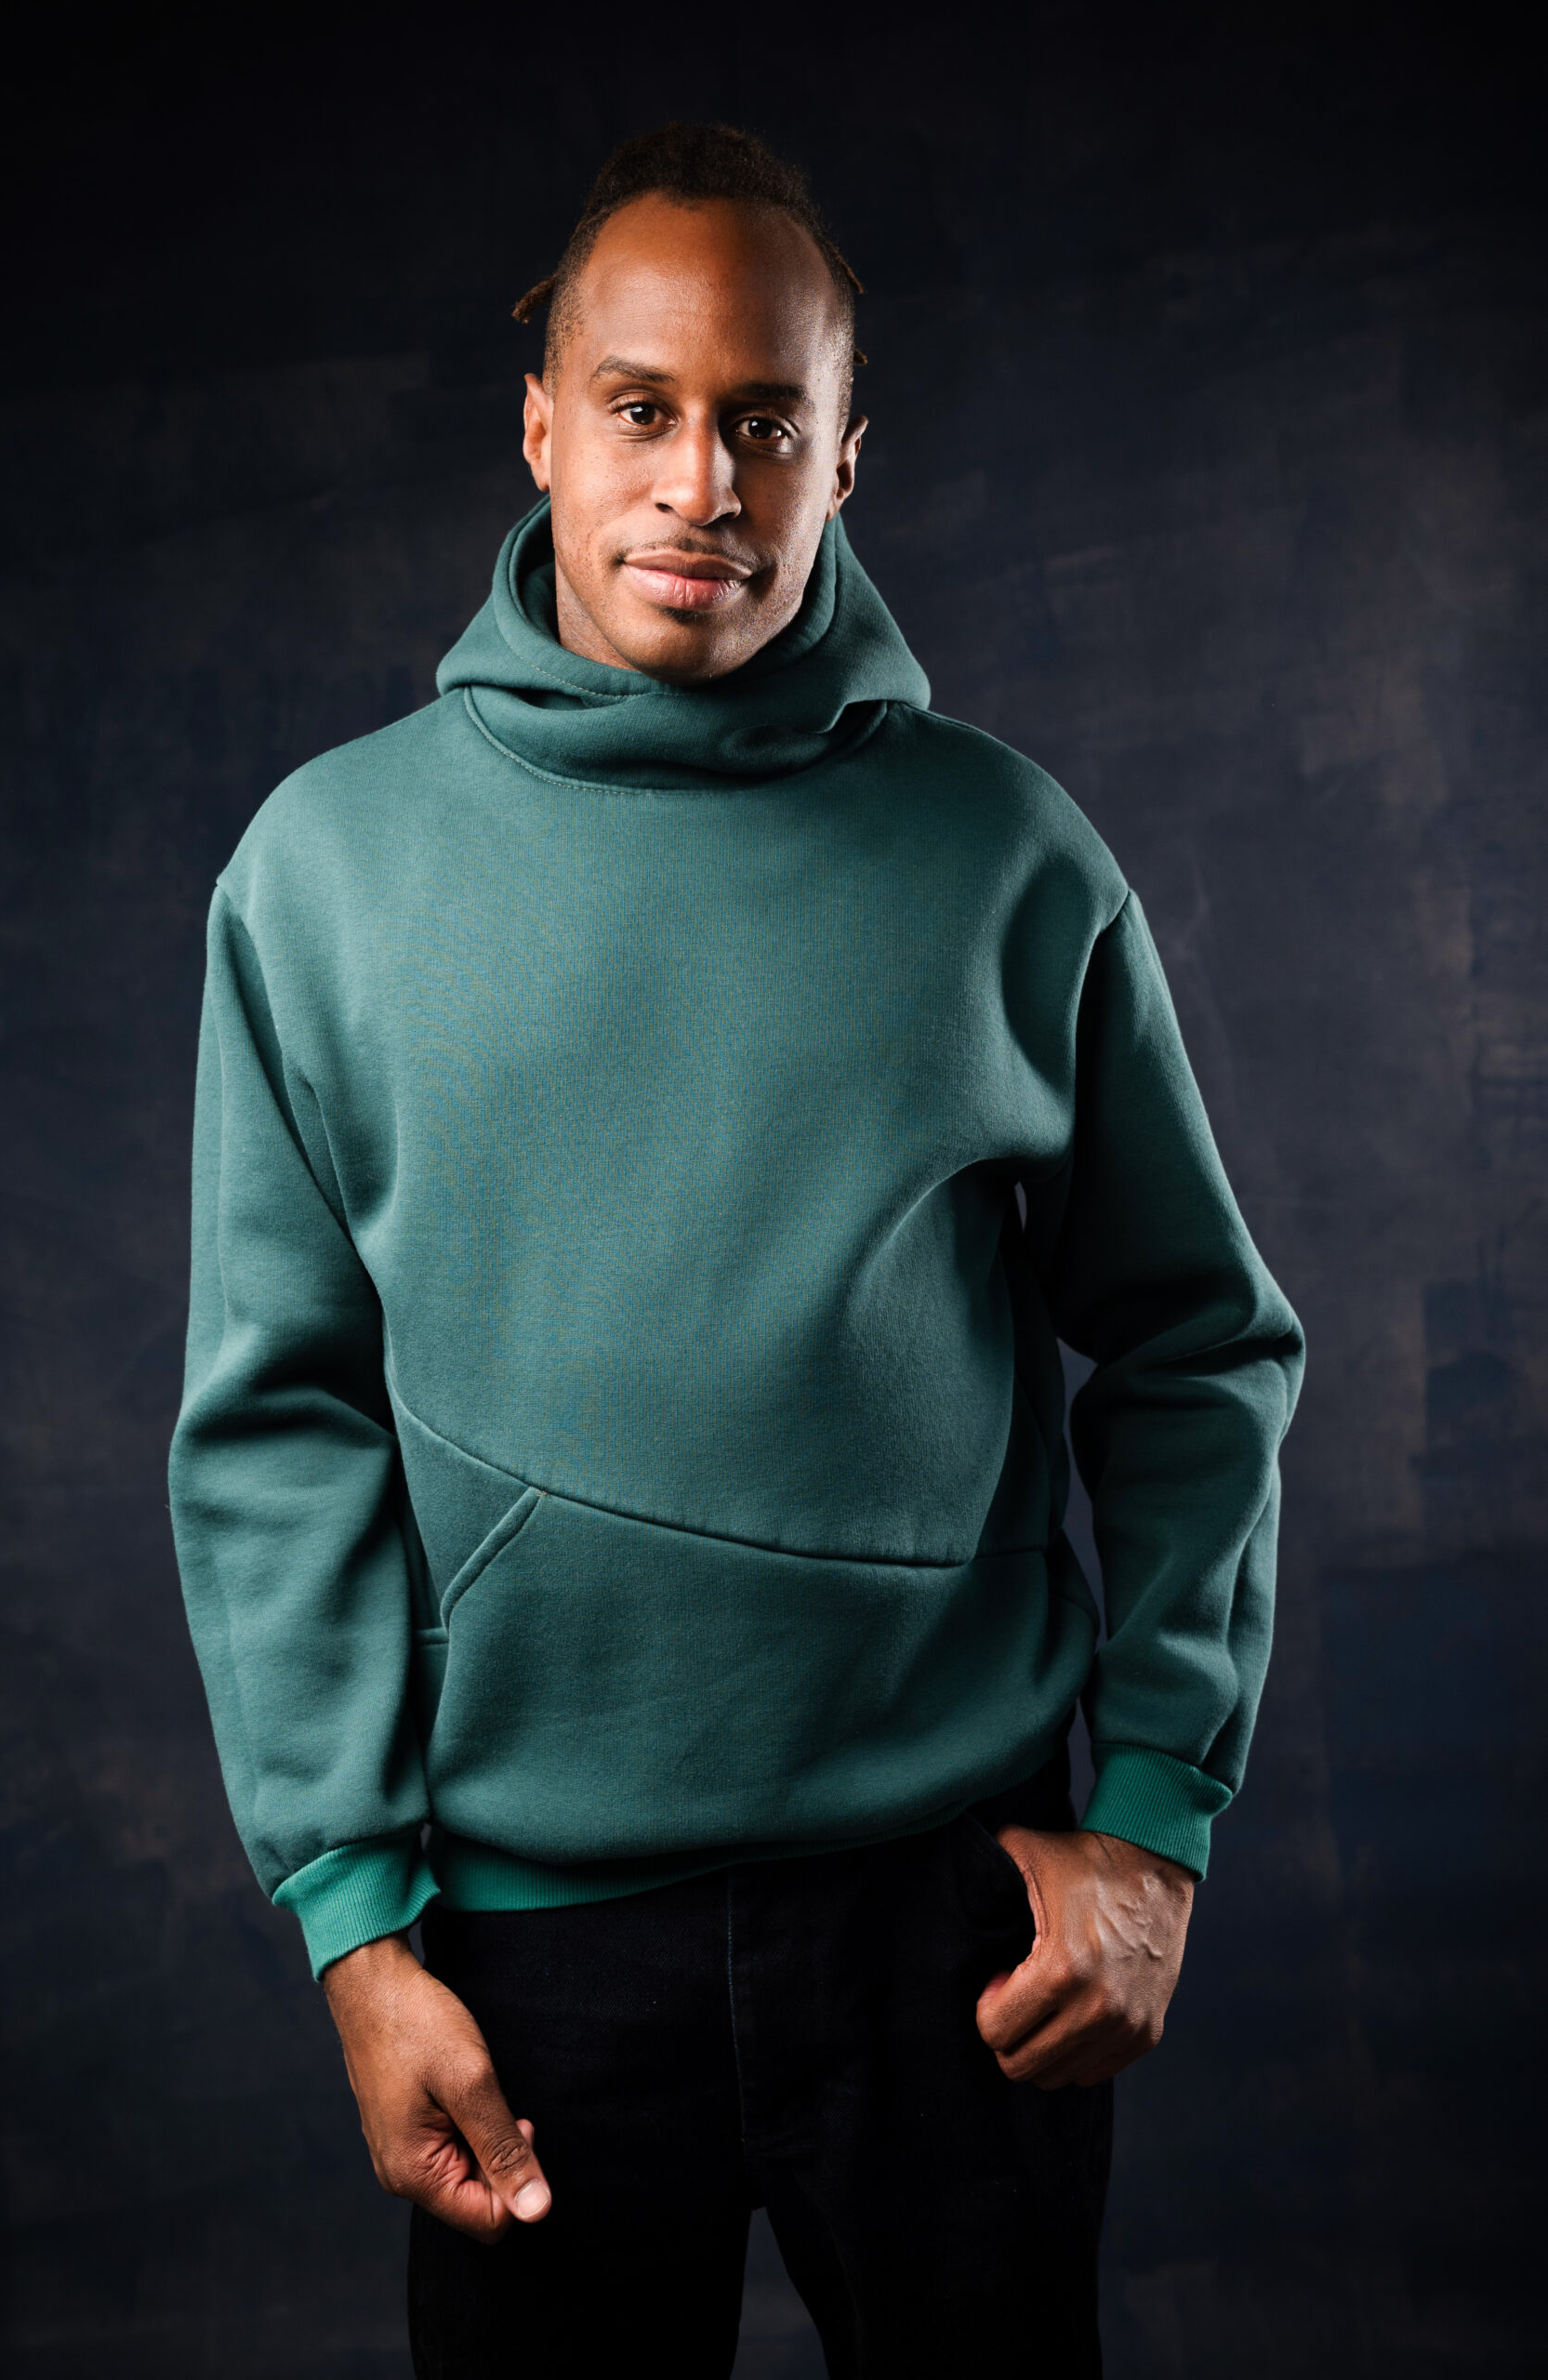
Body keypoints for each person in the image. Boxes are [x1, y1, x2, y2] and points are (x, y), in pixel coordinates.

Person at [169, 121, 1303, 2378]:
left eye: (764, 421)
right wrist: (356, 1932)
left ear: (842, 459)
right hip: (525, 1947)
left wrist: (1156, 1817)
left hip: (950, 1923)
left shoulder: (1003, 855)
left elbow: (1196, 1347)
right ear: (539, 429)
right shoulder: (323, 873)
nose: (700, 481)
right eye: (641, 408)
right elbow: (274, 1429)